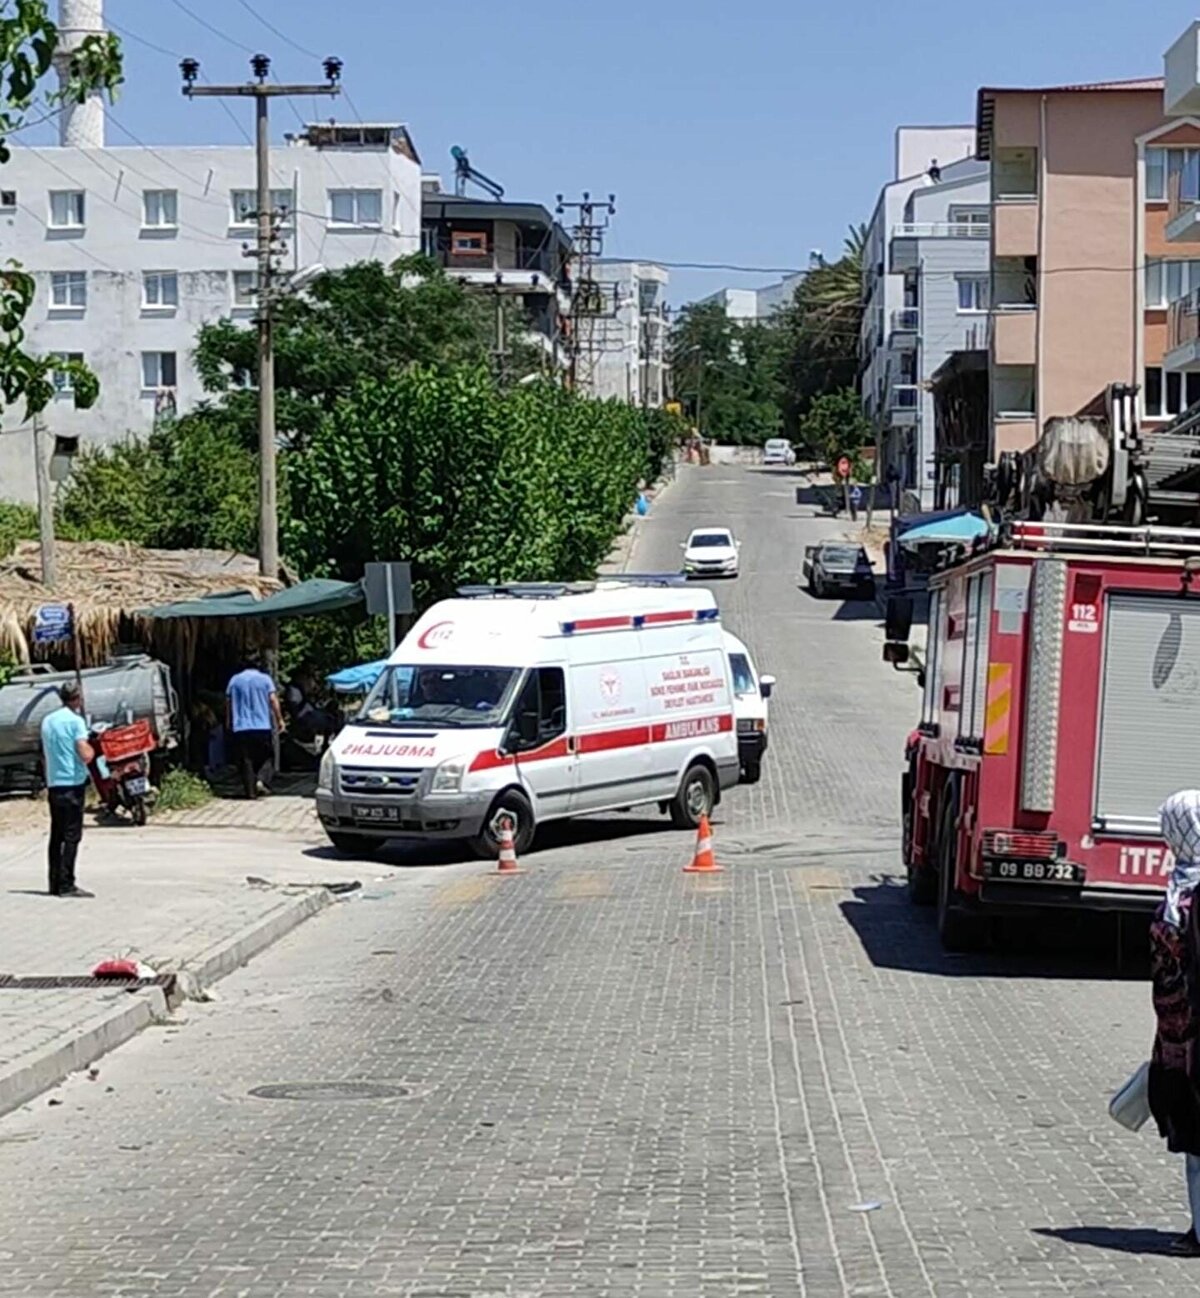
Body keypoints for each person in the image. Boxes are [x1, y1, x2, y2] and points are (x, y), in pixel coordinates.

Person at [1149, 789, 1200, 1256]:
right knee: (1191, 1135)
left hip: (1193, 1035)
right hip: (1176, 1034)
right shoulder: (1180, 884)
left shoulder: (1192, 891)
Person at [40, 682, 94, 898]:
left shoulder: (47, 721)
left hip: (54, 783)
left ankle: (54, 882)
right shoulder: (76, 721)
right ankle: (66, 883)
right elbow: (84, 753)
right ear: (77, 699)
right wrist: (91, 750)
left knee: (57, 835)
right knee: (72, 835)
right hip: (73, 783)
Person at [225, 654, 284, 799]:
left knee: (246, 760)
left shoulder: (234, 680)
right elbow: (273, 700)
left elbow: (228, 703)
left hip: (241, 727)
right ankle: (261, 780)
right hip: (262, 725)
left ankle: (250, 793)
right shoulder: (265, 679)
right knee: (267, 757)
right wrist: (280, 719)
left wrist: (228, 721)